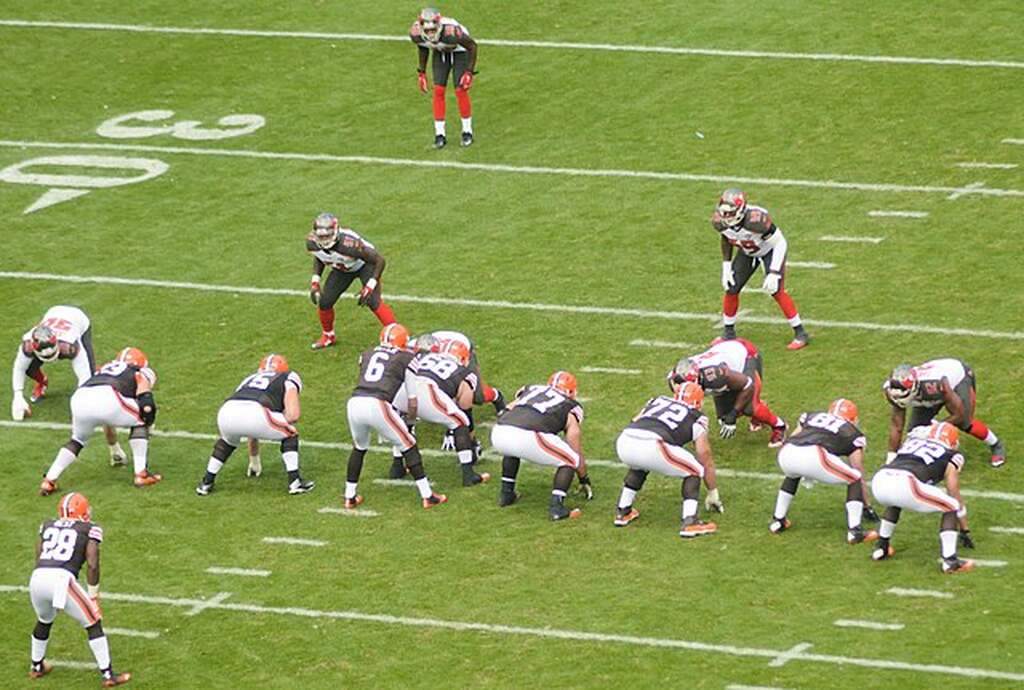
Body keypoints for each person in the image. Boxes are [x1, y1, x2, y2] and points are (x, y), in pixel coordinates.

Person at [27, 492, 131, 686]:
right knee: (93, 622)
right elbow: (92, 562)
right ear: (82, 511)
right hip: (61, 579)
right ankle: (108, 675)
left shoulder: (47, 525)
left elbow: (39, 555)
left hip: (37, 577)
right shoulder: (89, 528)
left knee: (44, 620)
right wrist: (93, 596)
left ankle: (36, 666)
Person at [343, 324, 447, 509]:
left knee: (359, 447)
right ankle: (427, 495)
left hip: (355, 402)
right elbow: (412, 400)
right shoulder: (406, 358)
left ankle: (349, 496)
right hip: (377, 404)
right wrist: (411, 420)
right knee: (408, 444)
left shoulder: (366, 353)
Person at [11, 305, 126, 465]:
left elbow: (84, 378)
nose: (51, 358)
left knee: (91, 376)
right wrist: (18, 395)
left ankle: (114, 447)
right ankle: (42, 382)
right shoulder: (28, 344)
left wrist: (78, 407)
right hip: (54, 313)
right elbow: (19, 367)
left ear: (56, 344)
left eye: (52, 354)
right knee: (29, 368)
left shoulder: (70, 345)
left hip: (78, 320)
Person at [39, 348, 161, 495]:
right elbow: (146, 402)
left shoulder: (103, 368)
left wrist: (114, 448)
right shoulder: (139, 371)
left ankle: (49, 480)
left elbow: (106, 420)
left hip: (80, 397)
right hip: (109, 397)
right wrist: (150, 422)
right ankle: (141, 474)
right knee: (141, 420)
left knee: (77, 440)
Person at [195, 354, 315, 496]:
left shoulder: (249, 379)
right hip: (256, 412)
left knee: (228, 441)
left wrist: (254, 459)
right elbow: (293, 415)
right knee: (290, 433)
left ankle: (206, 483)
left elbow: (249, 422)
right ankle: (295, 482)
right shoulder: (288, 376)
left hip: (226, 412)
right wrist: (281, 421)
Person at [613, 382, 718, 537]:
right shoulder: (698, 417)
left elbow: (635, 419)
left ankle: (623, 511)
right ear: (699, 402)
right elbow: (704, 454)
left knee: (639, 465)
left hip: (625, 439)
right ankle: (690, 522)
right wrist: (712, 491)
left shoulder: (658, 400)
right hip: (653, 443)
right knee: (695, 470)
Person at [869, 421, 975, 574]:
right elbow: (952, 489)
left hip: (879, 480)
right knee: (951, 506)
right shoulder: (952, 454)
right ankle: (950, 561)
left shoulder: (913, 442)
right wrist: (964, 528)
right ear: (953, 442)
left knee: (895, 500)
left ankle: (882, 546)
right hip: (906, 482)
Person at [769, 399, 878, 544]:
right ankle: (855, 531)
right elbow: (857, 468)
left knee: (792, 474)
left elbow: (793, 438)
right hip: (814, 455)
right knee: (855, 478)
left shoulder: (812, 416)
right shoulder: (852, 433)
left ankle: (778, 520)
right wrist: (867, 506)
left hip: (786, 453)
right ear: (852, 418)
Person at [712, 189, 810, 349]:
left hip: (769, 249)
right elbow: (726, 238)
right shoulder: (719, 221)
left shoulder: (756, 220)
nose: (726, 216)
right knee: (731, 288)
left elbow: (780, 242)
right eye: (724, 212)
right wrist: (726, 266)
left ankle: (800, 332)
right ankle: (728, 333)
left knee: (776, 290)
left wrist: (774, 272)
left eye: (730, 213)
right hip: (747, 251)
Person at [491, 371, 594, 520]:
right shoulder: (571, 406)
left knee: (512, 449)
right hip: (527, 434)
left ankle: (507, 494)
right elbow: (574, 444)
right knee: (571, 459)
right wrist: (584, 478)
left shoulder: (531, 389)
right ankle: (557, 508)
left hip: (499, 431)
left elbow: (508, 408)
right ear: (571, 392)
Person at [392, 340, 490, 486]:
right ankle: (468, 475)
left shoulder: (424, 357)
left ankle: (397, 466)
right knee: (461, 422)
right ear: (463, 358)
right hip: (427, 391)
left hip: (401, 390)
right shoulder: (465, 373)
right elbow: (465, 407)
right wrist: (472, 443)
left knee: (404, 422)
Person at [884, 358, 1006, 468]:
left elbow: (959, 414)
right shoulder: (892, 390)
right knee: (915, 430)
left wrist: (934, 429)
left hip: (957, 380)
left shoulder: (936, 384)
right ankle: (928, 458)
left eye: (905, 396)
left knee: (965, 422)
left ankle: (996, 445)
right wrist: (891, 457)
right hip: (926, 392)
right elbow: (897, 425)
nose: (903, 400)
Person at [669, 337, 787, 447]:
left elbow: (748, 385)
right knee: (723, 418)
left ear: (698, 379)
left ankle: (779, 426)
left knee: (750, 407)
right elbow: (688, 407)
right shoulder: (675, 380)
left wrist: (734, 414)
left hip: (745, 355)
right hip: (725, 354)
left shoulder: (715, 375)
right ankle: (757, 413)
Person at [307, 212, 397, 350]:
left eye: (327, 236)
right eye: (321, 236)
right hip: (342, 268)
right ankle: (328, 336)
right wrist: (315, 281)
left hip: (366, 265)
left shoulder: (349, 244)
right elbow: (320, 256)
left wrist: (370, 285)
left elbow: (379, 260)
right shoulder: (312, 243)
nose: (324, 240)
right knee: (325, 302)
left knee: (373, 301)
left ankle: (397, 336)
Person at [410, 7, 478, 148]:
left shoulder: (451, 33)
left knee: (460, 90)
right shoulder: (416, 33)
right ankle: (439, 134)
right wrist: (421, 72)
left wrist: (469, 72)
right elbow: (422, 47)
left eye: (433, 30)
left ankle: (467, 131)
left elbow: (472, 46)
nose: (430, 34)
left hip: (460, 50)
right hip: (440, 51)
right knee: (438, 90)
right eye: (427, 31)